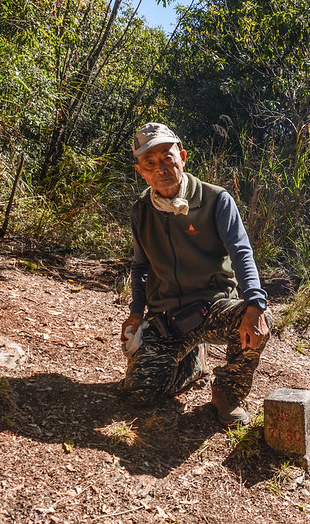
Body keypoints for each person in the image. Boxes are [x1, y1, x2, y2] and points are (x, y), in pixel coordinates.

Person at [121, 122, 272, 427]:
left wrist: (255, 304)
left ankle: (227, 394)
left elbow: (241, 251)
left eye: (167, 157)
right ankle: (192, 362)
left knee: (259, 321)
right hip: (168, 318)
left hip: (214, 307)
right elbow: (140, 267)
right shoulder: (141, 210)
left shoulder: (216, 200)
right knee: (140, 393)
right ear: (141, 171)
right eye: (150, 163)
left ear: (183, 156)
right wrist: (137, 312)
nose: (161, 168)